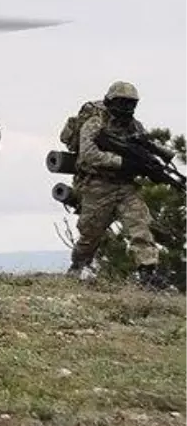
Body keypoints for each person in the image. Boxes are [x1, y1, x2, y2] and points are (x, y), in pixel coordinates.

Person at [62, 81, 166, 287]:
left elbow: (142, 154)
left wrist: (150, 168)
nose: (126, 108)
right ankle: (77, 267)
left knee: (140, 226)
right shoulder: (95, 121)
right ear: (111, 101)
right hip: (97, 185)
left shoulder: (135, 127)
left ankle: (147, 273)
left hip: (126, 187)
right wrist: (122, 162)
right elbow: (88, 154)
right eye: (122, 103)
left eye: (131, 104)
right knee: (90, 235)